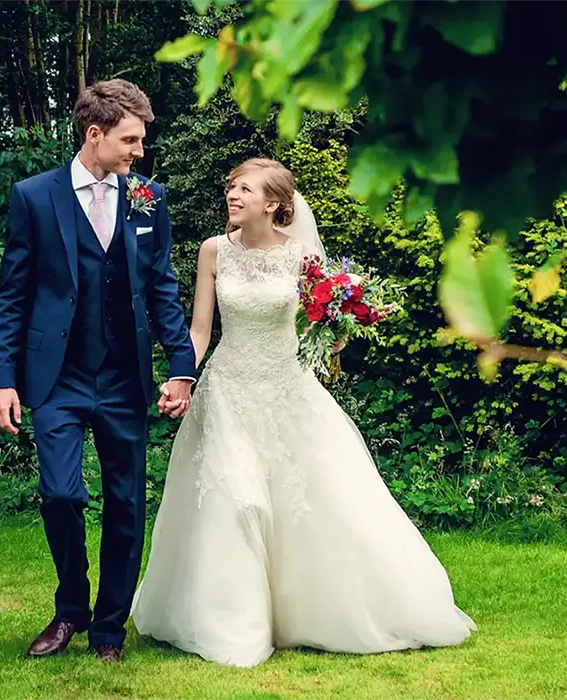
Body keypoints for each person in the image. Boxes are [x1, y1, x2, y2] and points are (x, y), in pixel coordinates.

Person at [132, 158, 476, 667]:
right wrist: (182, 376)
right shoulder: (213, 252)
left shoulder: (302, 258)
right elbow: (201, 330)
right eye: (230, 187)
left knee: (310, 504)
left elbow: (324, 326)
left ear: (273, 204)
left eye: (244, 189)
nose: (232, 195)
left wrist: (338, 328)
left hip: (287, 390)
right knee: (237, 502)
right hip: (226, 390)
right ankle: (233, 622)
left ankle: (309, 612)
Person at [0, 79, 195, 661]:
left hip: (124, 377)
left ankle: (109, 628)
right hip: (57, 378)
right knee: (60, 494)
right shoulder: (34, 196)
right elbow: (12, 295)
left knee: (127, 504)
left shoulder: (148, 196)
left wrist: (181, 367)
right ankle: (70, 609)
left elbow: (162, 289)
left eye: (142, 141)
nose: (139, 152)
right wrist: (4, 377)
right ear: (94, 134)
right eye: (130, 140)